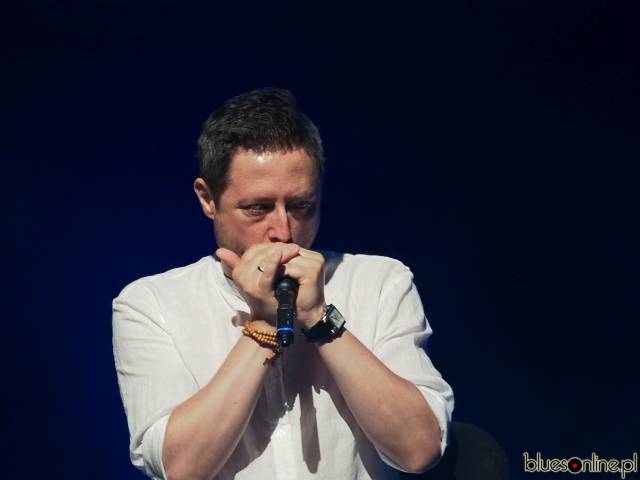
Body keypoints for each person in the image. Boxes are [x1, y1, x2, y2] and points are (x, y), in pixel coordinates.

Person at [112, 88, 454, 480]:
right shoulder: (151, 304)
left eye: (300, 206)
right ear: (207, 199)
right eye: (257, 208)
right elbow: (181, 468)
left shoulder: (380, 282)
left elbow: (419, 450)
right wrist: (263, 325)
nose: (283, 231)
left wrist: (319, 317)